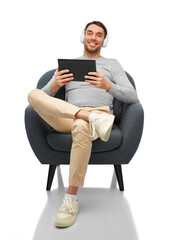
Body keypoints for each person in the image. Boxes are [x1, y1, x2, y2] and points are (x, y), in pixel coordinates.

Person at [28, 21, 139, 228]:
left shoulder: (112, 65)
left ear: (104, 41)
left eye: (99, 35)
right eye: (90, 33)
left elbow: (133, 96)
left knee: (80, 126)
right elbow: (40, 99)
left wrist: (108, 85)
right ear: (83, 36)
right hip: (69, 116)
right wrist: (55, 85)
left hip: (99, 113)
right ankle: (86, 117)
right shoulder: (67, 64)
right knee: (32, 95)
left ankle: (70, 199)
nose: (93, 38)